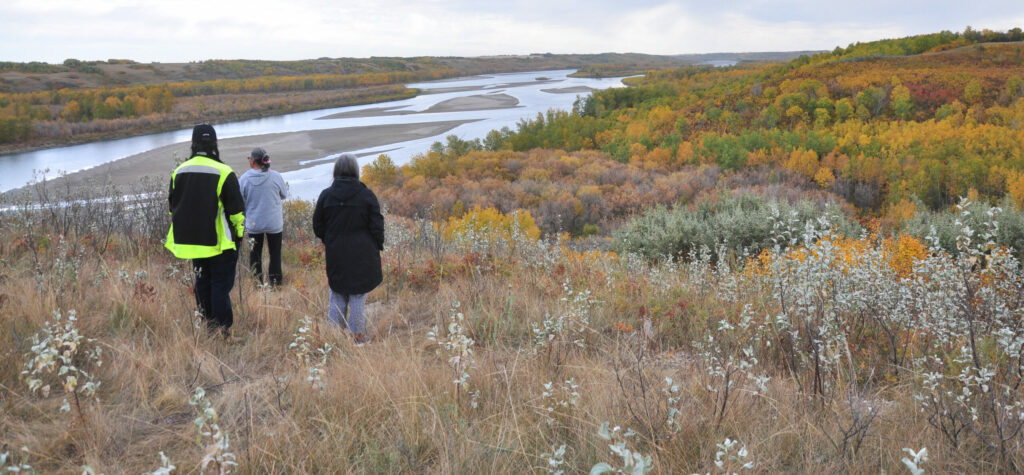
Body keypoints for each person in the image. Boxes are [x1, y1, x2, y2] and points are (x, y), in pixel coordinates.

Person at [165, 124, 246, 335]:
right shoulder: (224, 171)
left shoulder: (178, 171)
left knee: (202, 282)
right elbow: (237, 212)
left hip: (193, 242)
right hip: (219, 243)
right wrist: (238, 235)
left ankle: (207, 325)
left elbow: (173, 206)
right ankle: (222, 330)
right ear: (215, 144)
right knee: (220, 285)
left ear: (193, 143)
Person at [312, 154, 384, 344]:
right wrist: (377, 245)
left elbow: (317, 225)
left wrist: (330, 240)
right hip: (363, 254)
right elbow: (377, 226)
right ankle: (358, 337)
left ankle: (333, 337)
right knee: (358, 294)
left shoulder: (326, 195)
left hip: (336, 253)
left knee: (337, 293)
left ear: (336, 171)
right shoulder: (366, 195)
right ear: (355, 171)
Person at [239, 147, 288, 287]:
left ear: (253, 161)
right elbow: (284, 195)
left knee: (255, 255)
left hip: (254, 223)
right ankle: (276, 284)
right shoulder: (276, 176)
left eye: (249, 159)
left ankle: (257, 284)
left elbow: (240, 201)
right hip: (274, 223)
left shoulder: (244, 179)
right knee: (275, 254)